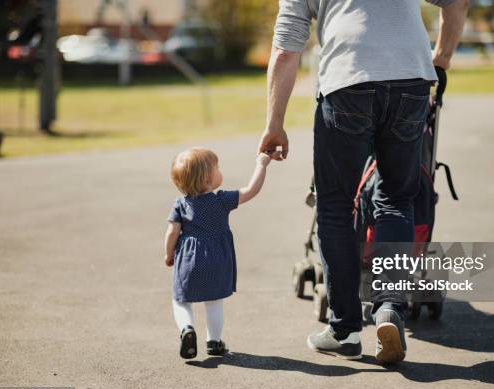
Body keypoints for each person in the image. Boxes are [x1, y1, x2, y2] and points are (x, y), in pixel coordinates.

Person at [259, 0, 469, 363]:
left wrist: (274, 124)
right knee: (397, 199)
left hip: (348, 80)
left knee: (336, 207)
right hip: (412, 80)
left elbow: (285, 48)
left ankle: (345, 330)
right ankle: (389, 306)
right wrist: (442, 56)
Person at [164, 147, 276, 359]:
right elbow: (251, 190)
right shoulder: (221, 200)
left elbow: (172, 232)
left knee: (181, 300)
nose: (220, 170)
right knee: (214, 301)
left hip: (189, 260)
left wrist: (168, 254)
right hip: (218, 260)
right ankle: (214, 341)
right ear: (208, 179)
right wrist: (261, 165)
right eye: (217, 168)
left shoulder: (180, 205)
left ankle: (187, 328)